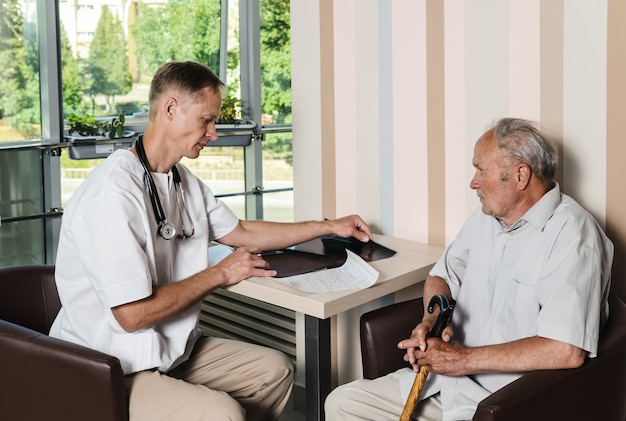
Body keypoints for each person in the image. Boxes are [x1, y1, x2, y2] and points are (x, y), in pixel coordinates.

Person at [50, 61, 373, 421]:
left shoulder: (181, 181)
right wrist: (220, 274)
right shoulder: (112, 195)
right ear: (170, 109)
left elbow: (244, 234)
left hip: (170, 352)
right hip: (108, 366)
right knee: (224, 413)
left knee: (276, 371)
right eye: (206, 120)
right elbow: (132, 315)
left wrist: (327, 226)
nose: (214, 132)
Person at [324, 118, 613, 420]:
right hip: (443, 385)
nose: (473, 182)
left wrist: (464, 359)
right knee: (341, 403)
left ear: (520, 175)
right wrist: (430, 322)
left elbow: (566, 349)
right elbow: (441, 277)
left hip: (506, 402)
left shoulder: (573, 233)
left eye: (481, 170)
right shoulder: (487, 216)